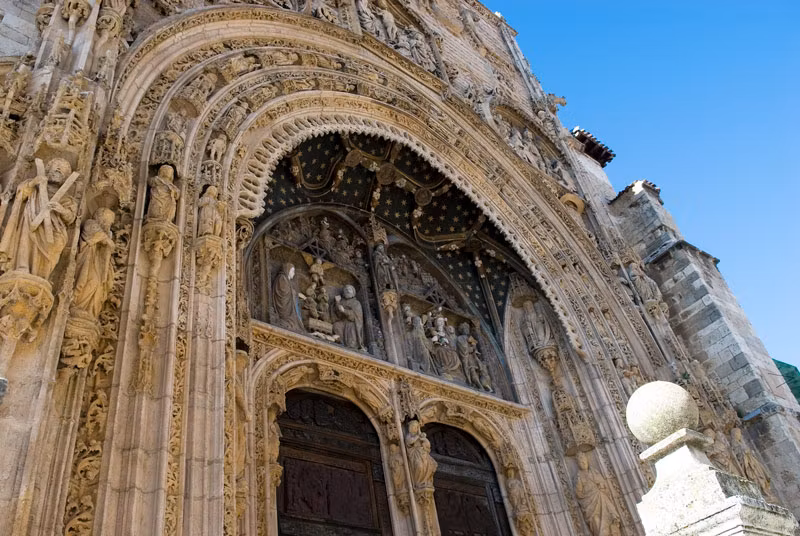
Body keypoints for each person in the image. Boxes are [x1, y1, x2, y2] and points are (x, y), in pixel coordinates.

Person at [72, 208, 116, 317]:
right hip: (87, 260)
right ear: (102, 218)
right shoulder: (90, 223)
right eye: (108, 221)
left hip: (96, 262)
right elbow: (100, 237)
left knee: (97, 284)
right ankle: (76, 305)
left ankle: (89, 311)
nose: (109, 224)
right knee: (91, 281)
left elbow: (109, 245)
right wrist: (107, 239)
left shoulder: (103, 232)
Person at [574, 451, 622, 536]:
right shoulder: (579, 476)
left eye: (584, 461)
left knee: (609, 520)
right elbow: (578, 494)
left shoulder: (594, 472)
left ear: (587, 460)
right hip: (590, 505)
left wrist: (601, 486)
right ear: (578, 464)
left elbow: (603, 484)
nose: (583, 463)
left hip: (602, 500)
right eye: (580, 462)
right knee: (596, 522)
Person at [272, 263, 304, 331]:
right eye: (292, 271)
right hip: (284, 305)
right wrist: (295, 293)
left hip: (289, 305)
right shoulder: (282, 278)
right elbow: (283, 291)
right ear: (287, 270)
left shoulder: (287, 280)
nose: (293, 273)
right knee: (290, 321)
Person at [333, 284, 364, 350]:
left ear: (353, 292)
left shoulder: (356, 303)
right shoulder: (342, 302)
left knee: (351, 330)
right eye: (346, 289)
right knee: (336, 325)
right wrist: (337, 302)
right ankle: (341, 343)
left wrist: (344, 310)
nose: (347, 291)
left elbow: (355, 316)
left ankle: (352, 346)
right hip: (343, 322)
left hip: (353, 323)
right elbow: (338, 315)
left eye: (349, 289)